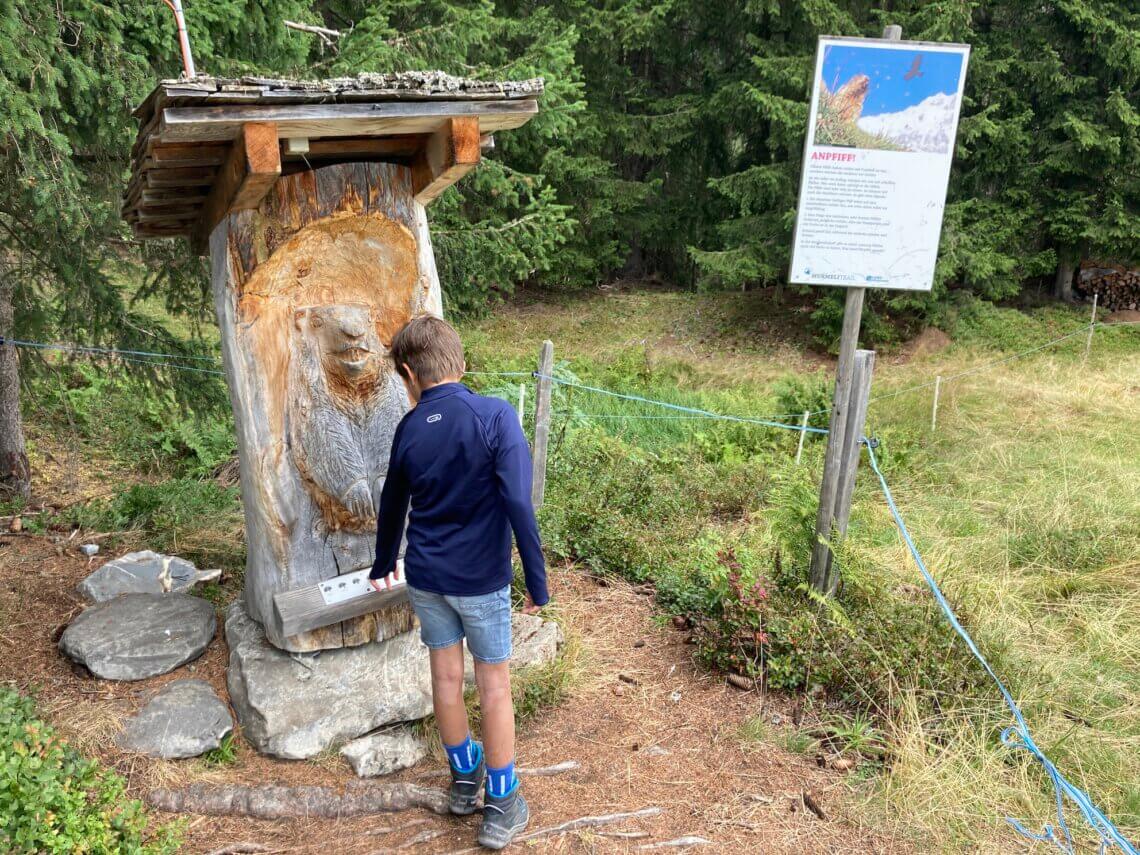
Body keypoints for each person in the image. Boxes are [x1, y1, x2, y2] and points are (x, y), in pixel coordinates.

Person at [369, 315, 549, 850]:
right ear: (462, 363)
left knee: (446, 680)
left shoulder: (407, 430)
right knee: (493, 687)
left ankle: (462, 777)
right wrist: (537, 583)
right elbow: (519, 501)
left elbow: (391, 506)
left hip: (427, 577)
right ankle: (501, 801)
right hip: (482, 581)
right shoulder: (494, 415)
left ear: (408, 373)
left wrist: (384, 564)